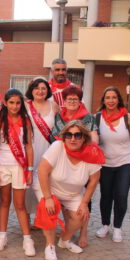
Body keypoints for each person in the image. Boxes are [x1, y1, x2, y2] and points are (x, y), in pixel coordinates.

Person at [37, 120, 104, 260]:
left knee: (81, 216)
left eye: (77, 135)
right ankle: (50, 246)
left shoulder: (92, 154)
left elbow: (93, 181)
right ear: (64, 136)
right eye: (69, 135)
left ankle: (65, 240)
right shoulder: (57, 147)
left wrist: (84, 203)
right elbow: (42, 171)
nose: (73, 139)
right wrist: (48, 198)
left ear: (84, 138)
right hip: (50, 188)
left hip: (72, 193)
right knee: (48, 210)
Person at [51, 85, 98, 247]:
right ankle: (68, 228)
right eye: (69, 99)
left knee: (84, 198)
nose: (72, 101)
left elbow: (94, 138)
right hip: (63, 161)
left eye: (75, 99)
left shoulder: (88, 117)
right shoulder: (59, 116)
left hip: (82, 161)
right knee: (66, 195)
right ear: (64, 101)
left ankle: (83, 232)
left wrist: (85, 153)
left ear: (80, 101)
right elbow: (55, 137)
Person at [0, 89, 35, 256]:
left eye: (18, 103)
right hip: (2, 165)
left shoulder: (26, 121)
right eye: (11, 102)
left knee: (20, 204)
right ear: (5, 103)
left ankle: (27, 238)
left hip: (19, 166)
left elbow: (29, 146)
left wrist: (30, 169)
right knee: (4, 201)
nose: (15, 106)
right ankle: (2, 235)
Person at [95, 86, 130, 243]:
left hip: (125, 164)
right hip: (105, 164)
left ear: (119, 100)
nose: (111, 100)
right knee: (106, 196)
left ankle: (118, 228)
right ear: (104, 100)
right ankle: (105, 225)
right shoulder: (98, 118)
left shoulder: (128, 118)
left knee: (121, 196)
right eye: (108, 97)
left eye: (114, 97)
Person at [24, 78, 59, 227]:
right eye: (37, 88)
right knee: (26, 187)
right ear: (31, 90)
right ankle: (25, 222)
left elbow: (59, 129)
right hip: (28, 151)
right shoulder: (25, 106)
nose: (40, 91)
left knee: (46, 185)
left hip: (48, 151)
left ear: (48, 91)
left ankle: (42, 220)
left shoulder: (54, 106)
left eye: (43, 88)